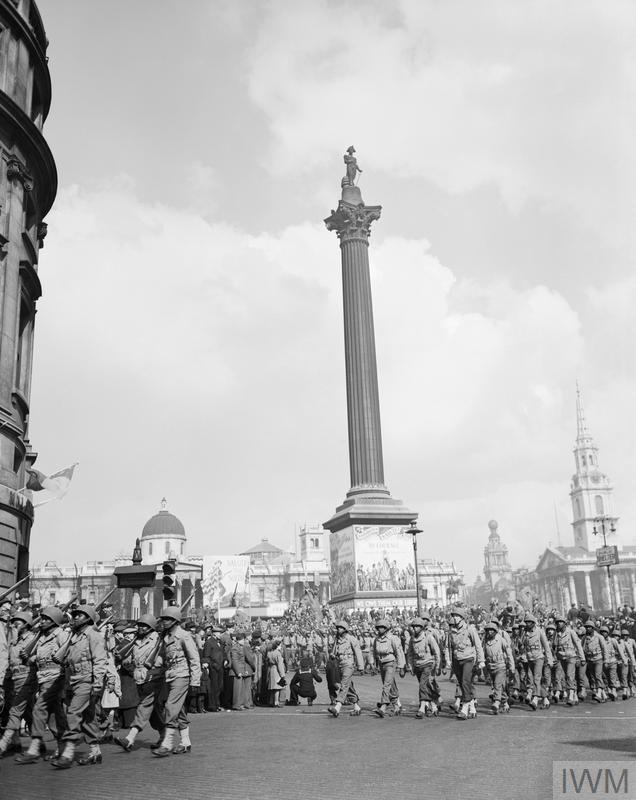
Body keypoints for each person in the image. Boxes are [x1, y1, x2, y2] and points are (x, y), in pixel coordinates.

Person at [51, 605, 108, 769]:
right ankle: (95, 752)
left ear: (88, 619)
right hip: (73, 679)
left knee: (73, 712)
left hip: (87, 679)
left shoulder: (94, 635)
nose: (74, 618)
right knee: (89, 718)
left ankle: (68, 753)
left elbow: (100, 660)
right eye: (74, 615)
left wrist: (97, 683)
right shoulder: (74, 636)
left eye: (79, 615)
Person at [15, 606, 68, 764]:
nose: (42, 621)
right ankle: (63, 747)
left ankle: (34, 748)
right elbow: (37, 658)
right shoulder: (41, 637)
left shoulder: (62, 635)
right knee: (54, 715)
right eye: (42, 618)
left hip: (56, 677)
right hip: (43, 678)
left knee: (39, 709)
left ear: (55, 621)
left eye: (46, 619)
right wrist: (28, 657)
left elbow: (68, 654)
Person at [152, 607, 201, 758]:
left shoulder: (184, 636)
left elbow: (194, 659)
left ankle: (167, 743)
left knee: (171, 706)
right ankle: (185, 742)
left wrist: (195, 681)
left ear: (175, 621)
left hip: (182, 675)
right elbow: (162, 656)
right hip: (169, 675)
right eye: (163, 619)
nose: (164, 622)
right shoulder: (165, 637)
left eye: (167, 619)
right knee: (178, 710)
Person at [113, 614, 164, 752]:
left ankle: (130, 738)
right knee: (153, 714)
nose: (140, 627)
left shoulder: (158, 640)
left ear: (151, 627)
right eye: (140, 625)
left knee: (144, 707)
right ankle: (164, 735)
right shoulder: (136, 640)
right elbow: (128, 659)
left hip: (153, 678)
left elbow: (160, 660)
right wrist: (121, 658)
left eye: (144, 626)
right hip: (139, 679)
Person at [0, 610, 37, 756]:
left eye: (19, 622)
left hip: (27, 676)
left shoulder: (33, 639)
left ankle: (4, 743)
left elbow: (38, 657)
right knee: (26, 712)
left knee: (16, 710)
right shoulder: (14, 639)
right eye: (14, 621)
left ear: (27, 625)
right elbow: (7, 658)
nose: (15, 624)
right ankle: (21, 742)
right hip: (13, 677)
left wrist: (31, 658)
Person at [447, 607, 484, 720]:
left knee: (465, 681)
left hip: (468, 658)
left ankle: (464, 708)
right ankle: (472, 707)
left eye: (457, 616)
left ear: (462, 617)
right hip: (457, 659)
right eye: (453, 616)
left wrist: (481, 660)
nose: (455, 618)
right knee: (463, 684)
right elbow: (448, 647)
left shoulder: (470, 629)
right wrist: (448, 660)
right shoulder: (451, 631)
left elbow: (478, 645)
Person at [327, 620, 364, 718]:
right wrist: (332, 655)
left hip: (349, 663)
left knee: (343, 684)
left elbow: (358, 652)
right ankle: (357, 707)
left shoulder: (351, 639)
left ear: (345, 629)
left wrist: (361, 666)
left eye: (340, 628)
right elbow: (334, 651)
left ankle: (337, 706)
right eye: (337, 628)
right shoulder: (337, 640)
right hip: (340, 664)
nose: (338, 629)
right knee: (348, 686)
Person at [406, 615, 441, 718]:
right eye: (414, 627)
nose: (415, 628)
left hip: (428, 664)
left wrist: (437, 666)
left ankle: (422, 707)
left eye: (417, 626)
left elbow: (436, 652)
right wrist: (411, 666)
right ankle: (433, 705)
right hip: (418, 665)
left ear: (421, 627)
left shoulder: (428, 637)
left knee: (422, 685)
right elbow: (410, 654)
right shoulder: (412, 639)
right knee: (426, 686)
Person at [372, 619, 406, 718]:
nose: (380, 629)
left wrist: (401, 666)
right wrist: (373, 664)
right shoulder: (376, 639)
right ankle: (396, 706)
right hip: (382, 663)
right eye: (378, 627)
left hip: (390, 662)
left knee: (386, 685)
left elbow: (399, 652)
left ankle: (383, 706)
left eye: (382, 627)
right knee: (390, 685)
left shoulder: (393, 638)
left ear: (386, 628)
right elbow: (374, 652)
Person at [521, 615, 553, 710]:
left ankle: (535, 699)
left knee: (536, 678)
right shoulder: (525, 633)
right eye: (526, 622)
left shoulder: (539, 632)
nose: (527, 624)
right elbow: (522, 644)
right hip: (529, 658)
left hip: (539, 657)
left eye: (529, 622)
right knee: (530, 679)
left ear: (533, 623)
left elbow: (546, 647)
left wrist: (550, 660)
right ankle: (545, 699)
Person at [483, 622, 515, 714]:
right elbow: (483, 653)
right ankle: (505, 703)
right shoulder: (485, 641)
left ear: (495, 631)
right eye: (488, 630)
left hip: (500, 666)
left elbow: (508, 652)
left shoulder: (501, 640)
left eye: (491, 630)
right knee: (499, 686)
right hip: (491, 666)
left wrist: (511, 666)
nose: (489, 632)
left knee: (497, 684)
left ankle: (496, 702)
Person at [553, 615, 585, 706]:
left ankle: (571, 696)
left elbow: (578, 645)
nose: (559, 623)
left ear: (565, 623)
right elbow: (554, 645)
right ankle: (574, 695)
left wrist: (582, 658)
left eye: (561, 622)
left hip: (571, 656)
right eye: (558, 622)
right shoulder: (556, 633)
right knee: (565, 676)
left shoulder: (571, 632)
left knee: (570, 675)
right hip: (561, 657)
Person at [230, 630, 255, 711]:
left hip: (242, 669)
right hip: (238, 671)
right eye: (242, 640)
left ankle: (241, 704)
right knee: (237, 690)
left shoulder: (241, 647)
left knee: (241, 689)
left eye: (244, 639)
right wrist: (238, 672)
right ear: (238, 640)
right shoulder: (235, 648)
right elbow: (234, 661)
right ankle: (236, 705)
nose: (243, 641)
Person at [266, 639, 286, 707]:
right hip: (276, 670)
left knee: (272, 687)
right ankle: (276, 702)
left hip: (271, 669)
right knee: (277, 688)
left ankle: (271, 701)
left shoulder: (269, 653)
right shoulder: (277, 653)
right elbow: (280, 665)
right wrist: (282, 674)